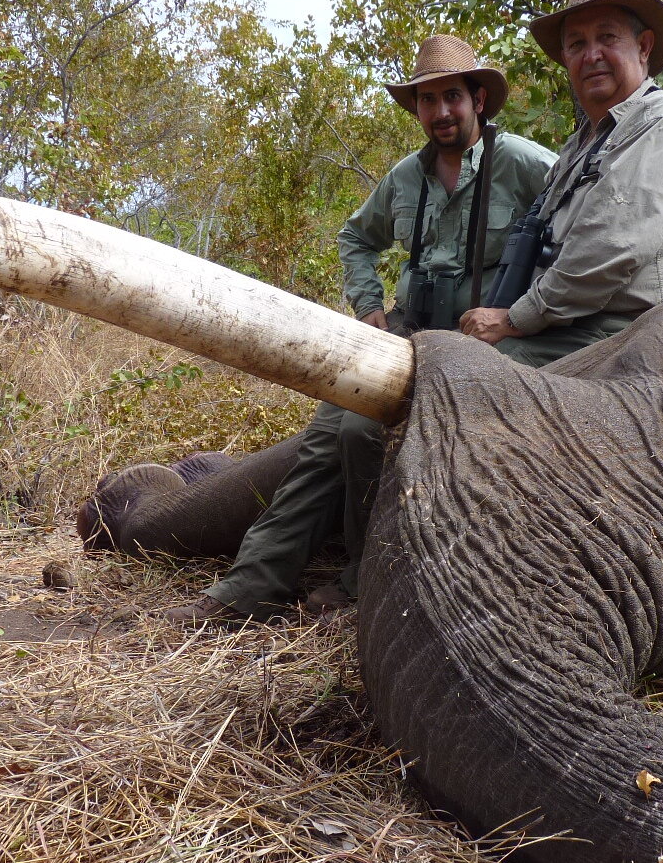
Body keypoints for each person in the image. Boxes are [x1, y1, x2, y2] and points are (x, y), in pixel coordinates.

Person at [165, 35, 556, 624]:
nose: (440, 112)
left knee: (366, 435)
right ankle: (251, 586)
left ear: (479, 98)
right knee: (329, 436)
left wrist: (525, 313)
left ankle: (365, 579)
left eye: (451, 96)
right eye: (427, 100)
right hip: (406, 330)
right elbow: (355, 238)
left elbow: (580, 225)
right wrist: (368, 303)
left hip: (481, 341)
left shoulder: (527, 164)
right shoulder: (406, 177)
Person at [459, 0, 663, 366]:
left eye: (607, 37)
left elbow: (611, 249)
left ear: (644, 46)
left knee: (478, 374)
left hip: (629, 335)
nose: (592, 55)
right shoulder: (582, 144)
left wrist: (514, 318)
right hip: (573, 326)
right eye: (577, 44)